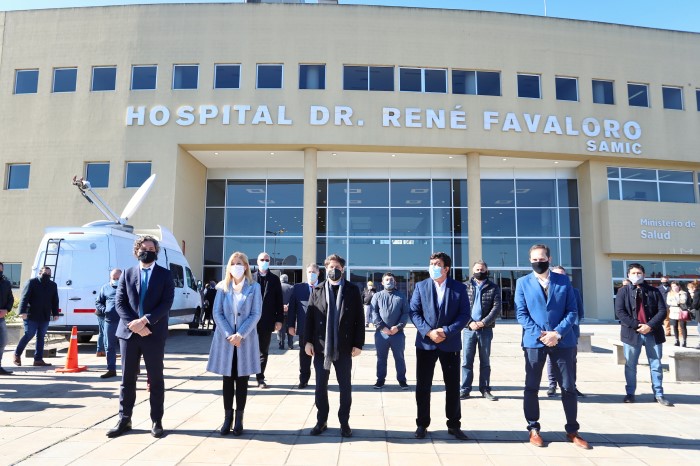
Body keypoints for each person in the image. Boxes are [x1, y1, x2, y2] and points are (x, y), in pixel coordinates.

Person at [515, 244, 590, 449]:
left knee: (568, 387)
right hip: (534, 342)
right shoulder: (522, 283)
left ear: (549, 258)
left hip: (562, 341)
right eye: (534, 259)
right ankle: (533, 428)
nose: (538, 262)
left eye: (541, 258)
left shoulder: (563, 281)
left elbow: (572, 311)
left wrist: (556, 333)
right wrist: (541, 335)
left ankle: (572, 430)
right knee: (531, 386)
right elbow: (521, 313)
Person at [107, 235, 175, 439]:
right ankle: (124, 419)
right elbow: (120, 303)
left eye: (151, 248)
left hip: (153, 333)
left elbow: (166, 303)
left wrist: (144, 321)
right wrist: (134, 324)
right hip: (129, 334)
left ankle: (156, 420)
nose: (148, 251)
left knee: (156, 379)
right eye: (144, 247)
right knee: (127, 379)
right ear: (137, 250)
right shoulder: (127, 274)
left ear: (156, 251)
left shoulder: (165, 275)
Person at [410, 252, 470, 441]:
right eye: (431, 263)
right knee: (423, 386)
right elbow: (414, 312)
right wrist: (429, 332)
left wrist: (445, 331)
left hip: (449, 343)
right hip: (426, 344)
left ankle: (453, 424)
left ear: (446, 269)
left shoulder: (459, 288)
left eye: (437, 264)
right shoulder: (421, 286)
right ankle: (422, 424)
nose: (433, 267)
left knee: (452, 386)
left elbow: (464, 315)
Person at [304, 254, 364, 438]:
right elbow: (310, 318)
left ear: (343, 269)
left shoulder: (352, 290)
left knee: (345, 386)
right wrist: (307, 341)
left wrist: (358, 344)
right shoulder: (318, 290)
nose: (334, 269)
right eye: (330, 266)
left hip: (344, 347)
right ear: (326, 269)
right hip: (321, 347)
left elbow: (359, 320)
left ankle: (344, 422)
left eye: (337, 266)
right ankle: (321, 420)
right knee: (320, 386)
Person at [207, 252, 262, 436]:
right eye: (233, 263)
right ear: (229, 266)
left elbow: (256, 314)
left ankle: (239, 419)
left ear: (246, 266)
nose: (237, 266)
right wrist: (230, 334)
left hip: (245, 341)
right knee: (227, 380)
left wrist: (241, 334)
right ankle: (227, 418)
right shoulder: (223, 287)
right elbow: (217, 313)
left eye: (240, 263)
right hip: (226, 341)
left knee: (242, 380)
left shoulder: (254, 287)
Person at [614, 263, 673, 407]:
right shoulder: (623, 291)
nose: (636, 275)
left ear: (644, 274)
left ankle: (658, 394)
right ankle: (630, 393)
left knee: (656, 364)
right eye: (633, 273)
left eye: (639, 273)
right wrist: (637, 325)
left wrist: (649, 325)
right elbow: (620, 312)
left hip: (652, 333)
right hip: (632, 333)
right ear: (628, 275)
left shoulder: (654, 291)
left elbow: (662, 311)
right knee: (630, 365)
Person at [460, 260, 501, 401]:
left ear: (487, 271)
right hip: (468, 329)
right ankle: (465, 389)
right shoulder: (464, 287)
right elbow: (460, 308)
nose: (480, 272)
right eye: (477, 269)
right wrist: (470, 323)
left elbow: (496, 308)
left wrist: (483, 322)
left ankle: (485, 389)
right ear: (472, 271)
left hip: (486, 330)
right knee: (466, 361)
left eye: (482, 269)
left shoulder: (493, 287)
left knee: (485, 361)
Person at [547, 265, 585, 398]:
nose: (559, 277)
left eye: (562, 274)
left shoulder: (574, 291)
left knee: (571, 360)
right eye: (556, 274)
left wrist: (566, 326)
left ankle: (572, 386)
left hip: (570, 332)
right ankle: (552, 385)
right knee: (551, 360)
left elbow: (578, 312)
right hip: (551, 333)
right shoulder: (548, 290)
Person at [370, 272, 410, 390]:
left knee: (399, 358)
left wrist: (398, 327)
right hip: (381, 334)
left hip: (397, 334)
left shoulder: (401, 296)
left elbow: (405, 313)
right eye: (387, 280)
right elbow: (374, 312)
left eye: (391, 280)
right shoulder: (377, 296)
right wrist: (382, 327)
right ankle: (380, 380)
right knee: (381, 358)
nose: (389, 282)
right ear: (382, 283)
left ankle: (402, 380)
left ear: (395, 282)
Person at [14, 266, 59, 367]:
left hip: (44, 315)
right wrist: (22, 312)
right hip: (31, 315)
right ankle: (17, 354)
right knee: (29, 335)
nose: (47, 275)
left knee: (41, 337)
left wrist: (55, 313)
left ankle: (38, 359)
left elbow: (55, 300)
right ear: (39, 273)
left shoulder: (52, 285)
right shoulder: (32, 282)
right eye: (45, 273)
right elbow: (24, 298)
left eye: (48, 274)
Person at [252, 252, 283, 389]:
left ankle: (260, 378)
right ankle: (244, 377)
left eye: (267, 260)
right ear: (257, 261)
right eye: (262, 259)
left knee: (263, 351)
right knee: (247, 350)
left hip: (267, 321)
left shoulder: (275, 279)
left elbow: (279, 301)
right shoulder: (250, 278)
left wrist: (279, 320)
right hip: (250, 321)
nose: (264, 261)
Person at [287, 263, 319, 389]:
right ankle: (303, 380)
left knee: (320, 356)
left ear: (318, 273)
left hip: (320, 329)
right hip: (304, 328)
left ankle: (321, 381)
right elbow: (292, 308)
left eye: (314, 272)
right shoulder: (298, 288)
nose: (311, 274)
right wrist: (290, 325)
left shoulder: (324, 287)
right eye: (309, 272)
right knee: (304, 355)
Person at [95, 268, 122, 379]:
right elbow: (98, 302)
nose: (115, 280)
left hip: (124, 321)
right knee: (109, 346)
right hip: (110, 321)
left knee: (129, 346)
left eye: (118, 278)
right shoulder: (105, 287)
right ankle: (111, 369)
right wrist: (104, 309)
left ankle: (132, 369)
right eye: (113, 278)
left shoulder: (127, 287)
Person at [0, 262, 15, 375]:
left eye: (1, 270)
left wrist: (6, 310)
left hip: (1, 318)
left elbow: (10, 299)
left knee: (3, 341)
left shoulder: (6, 283)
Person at [666, 281, 689, 347]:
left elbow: (683, 301)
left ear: (678, 286)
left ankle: (684, 341)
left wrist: (675, 300)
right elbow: (668, 302)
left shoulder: (683, 293)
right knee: (674, 326)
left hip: (681, 310)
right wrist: (676, 302)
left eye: (675, 286)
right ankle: (676, 340)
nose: (674, 288)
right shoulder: (669, 293)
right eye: (672, 286)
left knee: (683, 326)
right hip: (673, 311)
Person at [278, 274, 294, 349]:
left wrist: (281, 306)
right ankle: (290, 344)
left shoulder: (277, 287)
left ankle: (281, 345)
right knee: (290, 328)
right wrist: (287, 306)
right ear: (287, 279)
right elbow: (294, 300)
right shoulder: (291, 287)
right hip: (290, 312)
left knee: (281, 329)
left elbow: (275, 299)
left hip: (280, 312)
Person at [687, 282, 700, 349]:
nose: (688, 291)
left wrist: (690, 308)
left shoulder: (696, 294)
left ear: (693, 288)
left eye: (689, 289)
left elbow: (695, 304)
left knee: (699, 328)